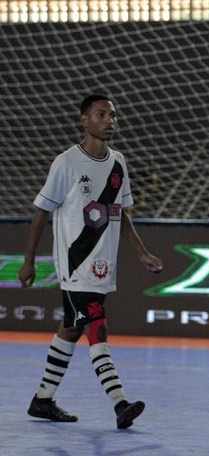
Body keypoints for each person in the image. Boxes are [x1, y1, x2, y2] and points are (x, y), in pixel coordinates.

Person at [18, 93, 163, 430]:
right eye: (101, 114)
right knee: (97, 326)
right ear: (84, 121)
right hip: (75, 264)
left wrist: (141, 252)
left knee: (71, 328)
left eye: (112, 115)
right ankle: (120, 404)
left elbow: (119, 213)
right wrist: (29, 261)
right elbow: (41, 212)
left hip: (102, 266)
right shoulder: (66, 162)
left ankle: (42, 400)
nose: (110, 120)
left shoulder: (118, 162)